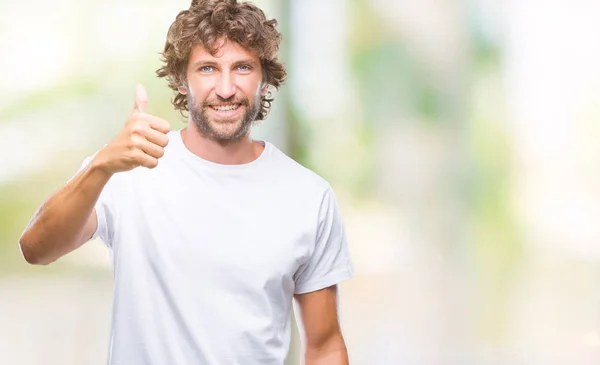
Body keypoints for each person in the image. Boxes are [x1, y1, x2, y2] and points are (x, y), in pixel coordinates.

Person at [18, 0, 353, 364]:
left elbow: (325, 346)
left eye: (242, 67)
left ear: (264, 78)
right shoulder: (128, 167)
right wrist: (100, 166)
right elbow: (36, 248)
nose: (226, 88)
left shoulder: (308, 195)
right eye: (207, 68)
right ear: (181, 78)